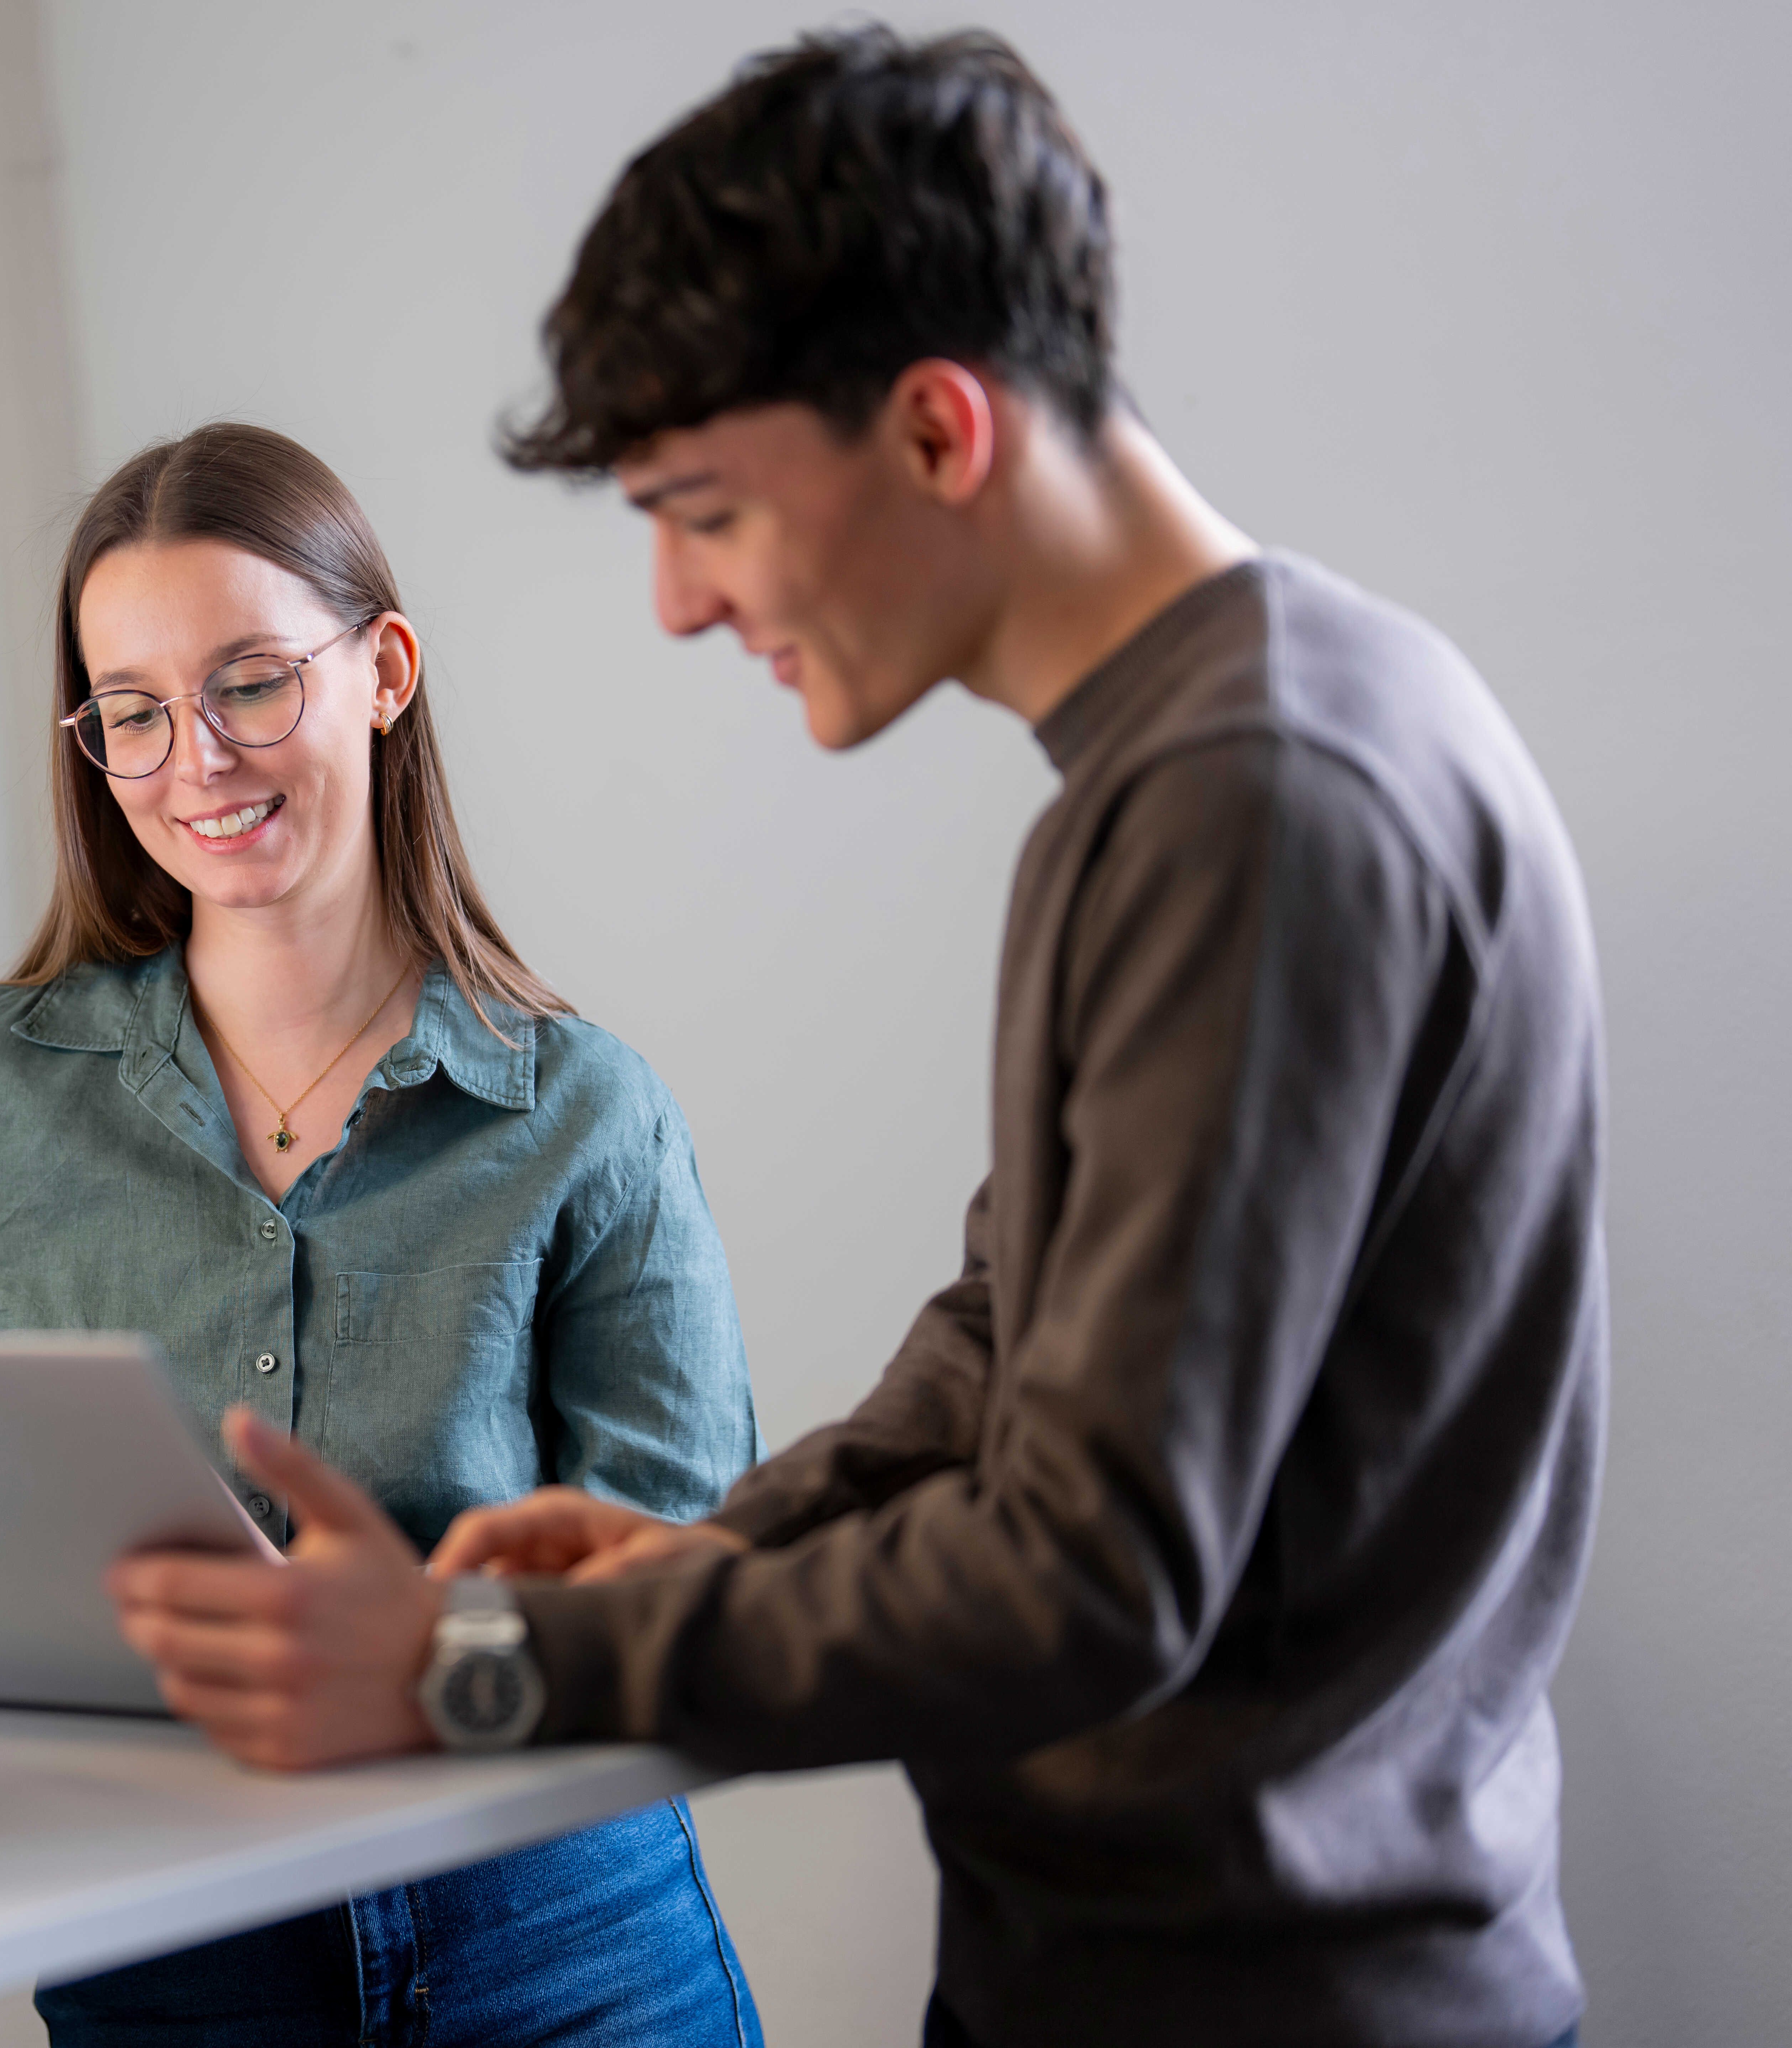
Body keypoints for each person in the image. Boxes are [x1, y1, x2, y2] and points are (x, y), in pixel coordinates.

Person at [103, 30, 1603, 2048]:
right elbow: (1005, 1346)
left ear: (934, 428)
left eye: (705, 511)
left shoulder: (1260, 793)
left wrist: (480, 1665)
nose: (676, 603)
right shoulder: (1195, 761)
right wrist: (685, 1569)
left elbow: (1094, 1573)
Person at [0, 422, 764, 2045]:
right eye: (133, 713)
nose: (196, 758)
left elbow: (703, 1604)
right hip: (173, 1949)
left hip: (559, 1936)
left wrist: (421, 1660)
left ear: (384, 672)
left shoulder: (587, 1112)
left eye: (252, 681)